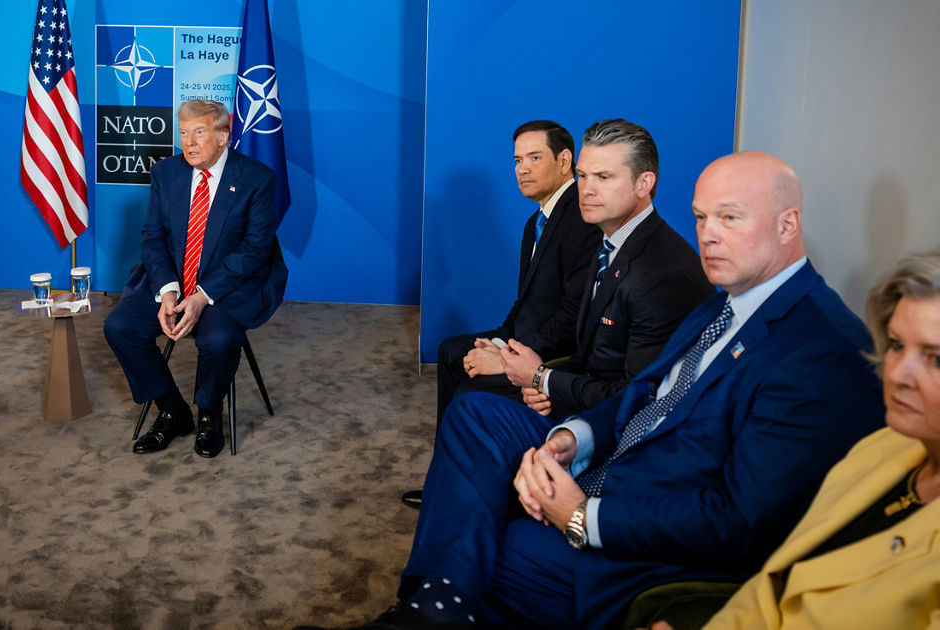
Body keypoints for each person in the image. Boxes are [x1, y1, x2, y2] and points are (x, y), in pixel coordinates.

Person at [296, 152, 882, 630]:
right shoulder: (721, 303)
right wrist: (568, 439)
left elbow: (737, 523)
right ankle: (434, 610)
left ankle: (432, 606)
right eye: (702, 217)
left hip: (651, 522)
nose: (708, 236)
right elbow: (642, 397)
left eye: (730, 218)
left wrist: (582, 516)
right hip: (613, 454)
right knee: (478, 416)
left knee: (497, 547)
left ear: (788, 224)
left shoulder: (821, 351)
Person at [406, 119, 712, 509]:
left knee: (470, 401)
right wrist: (532, 370)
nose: (587, 189)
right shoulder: (606, 240)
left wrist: (539, 377)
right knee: (458, 365)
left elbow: (636, 398)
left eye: (603, 176)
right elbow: (562, 328)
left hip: (606, 422)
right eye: (585, 176)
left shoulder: (658, 271)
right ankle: (453, 492)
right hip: (575, 384)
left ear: (643, 184)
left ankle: (461, 500)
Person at [650, 249, 940, 630]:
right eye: (897, 345)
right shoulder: (882, 446)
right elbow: (774, 586)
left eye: (935, 359)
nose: (899, 373)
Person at [403, 120, 598, 508]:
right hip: (523, 338)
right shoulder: (535, 223)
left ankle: (465, 495)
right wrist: (495, 342)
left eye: (534, 158)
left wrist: (505, 359)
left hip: (555, 354)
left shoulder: (581, 219)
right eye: (516, 160)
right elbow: (525, 302)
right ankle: (448, 479)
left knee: (468, 392)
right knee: (451, 352)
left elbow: (575, 314)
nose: (521, 169)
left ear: (565, 161)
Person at [103, 99, 287, 459]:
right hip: (172, 279)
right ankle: (172, 410)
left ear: (223, 137)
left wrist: (203, 296)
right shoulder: (166, 174)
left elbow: (255, 250)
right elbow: (152, 236)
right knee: (120, 326)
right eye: (184, 132)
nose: (189, 142)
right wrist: (169, 290)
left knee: (219, 339)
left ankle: (208, 413)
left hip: (226, 286)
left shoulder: (257, 180)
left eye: (199, 132)